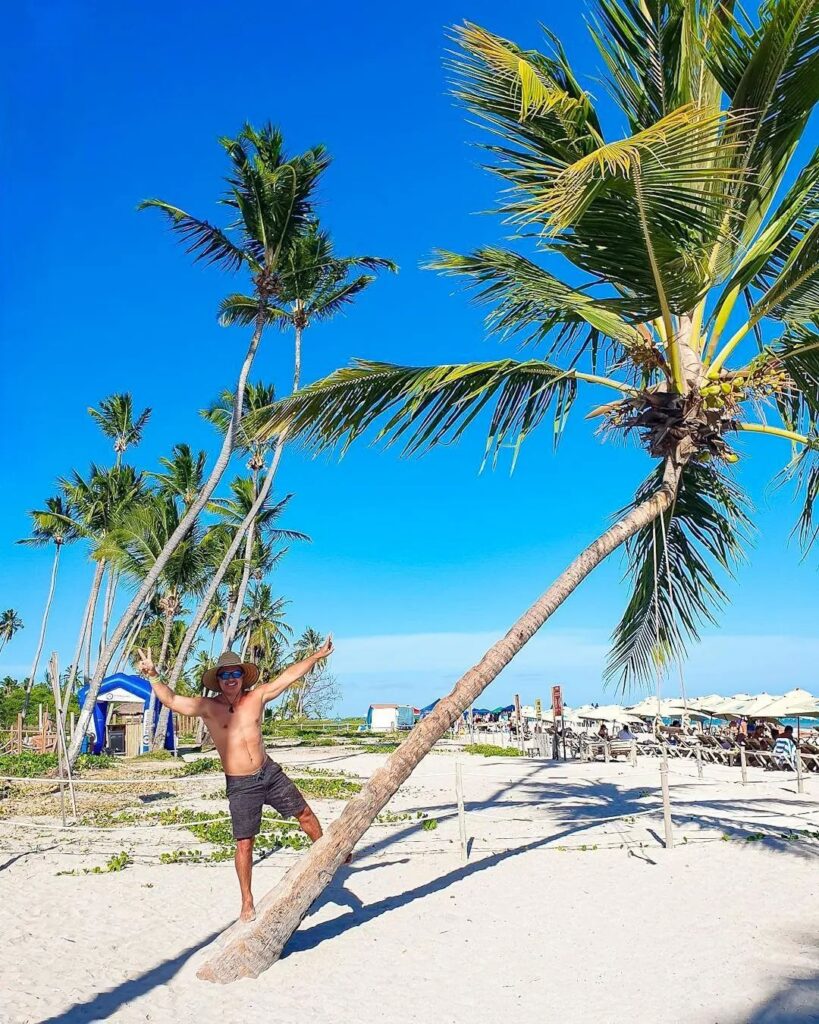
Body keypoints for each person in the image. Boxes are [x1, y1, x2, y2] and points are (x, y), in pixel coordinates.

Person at [136, 640, 334, 923]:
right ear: (218, 680)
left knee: (304, 814)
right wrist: (153, 675)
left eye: (236, 673)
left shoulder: (257, 697)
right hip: (241, 783)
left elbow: (290, 676)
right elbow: (172, 700)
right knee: (244, 843)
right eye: (225, 674)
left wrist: (315, 655)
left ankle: (329, 854)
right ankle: (247, 901)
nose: (231, 679)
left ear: (243, 676)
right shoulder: (208, 707)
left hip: (269, 772)